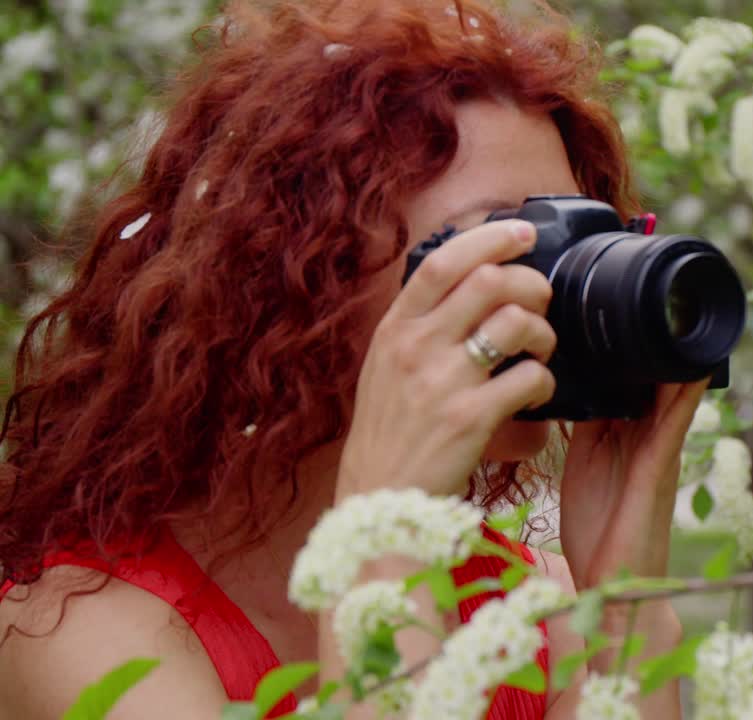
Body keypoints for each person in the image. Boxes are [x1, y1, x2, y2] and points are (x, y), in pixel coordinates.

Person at [0, 1, 704, 718]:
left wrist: (624, 601)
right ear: (295, 279)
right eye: (498, 244)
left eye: (573, 235)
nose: (545, 289)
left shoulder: (542, 615)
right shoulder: (84, 632)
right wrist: (384, 544)